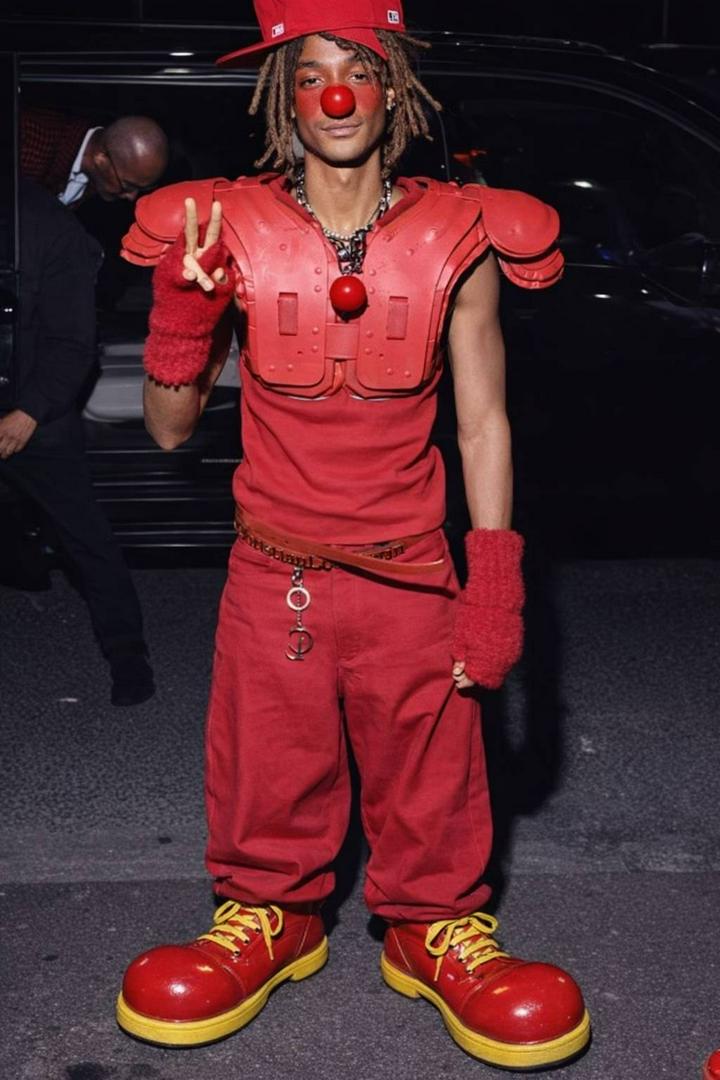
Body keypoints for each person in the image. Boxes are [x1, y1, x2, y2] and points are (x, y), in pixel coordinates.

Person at [115, 0, 589, 1067]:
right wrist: (182, 313)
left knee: (435, 775)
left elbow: (483, 423)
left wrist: (493, 582)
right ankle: (269, 915)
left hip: (411, 573)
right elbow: (169, 433)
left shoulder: (462, 233)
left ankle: (434, 927)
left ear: (395, 91)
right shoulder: (222, 226)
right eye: (312, 73)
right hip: (273, 570)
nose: (337, 94)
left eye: (360, 70)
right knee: (267, 764)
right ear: (284, 96)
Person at [0, 178, 154, 707]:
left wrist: (30, 413)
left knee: (85, 537)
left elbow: (74, 339)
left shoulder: (45, 224)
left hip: (33, 408)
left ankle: (129, 657)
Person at [20, 107, 168, 206]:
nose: (131, 197)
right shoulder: (29, 137)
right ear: (101, 158)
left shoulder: (97, 180)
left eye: (142, 189)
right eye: (128, 186)